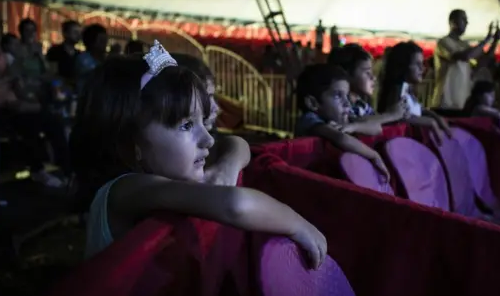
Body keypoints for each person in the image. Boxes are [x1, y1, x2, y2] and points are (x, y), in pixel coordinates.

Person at [70, 41, 326, 265]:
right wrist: (297, 224)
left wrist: (227, 167)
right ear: (131, 142)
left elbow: (237, 145)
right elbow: (235, 205)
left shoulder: (160, 166)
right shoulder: (126, 189)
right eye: (186, 125)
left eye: (203, 121)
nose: (207, 139)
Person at [0, 19, 69, 187]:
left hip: (14, 103)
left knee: (52, 120)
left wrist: (29, 97)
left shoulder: (5, 57)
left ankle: (68, 170)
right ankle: (38, 170)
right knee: (25, 124)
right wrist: (8, 80)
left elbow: (19, 84)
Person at [294, 64, 390, 181]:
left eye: (347, 95)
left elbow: (377, 128)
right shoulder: (308, 119)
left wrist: (353, 126)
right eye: (338, 96)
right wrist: (374, 155)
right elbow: (341, 138)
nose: (347, 103)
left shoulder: (341, 119)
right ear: (313, 103)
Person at [376, 41, 452, 141]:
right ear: (403, 66)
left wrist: (435, 117)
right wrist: (429, 122)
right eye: (417, 64)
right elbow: (394, 118)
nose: (422, 68)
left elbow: (419, 111)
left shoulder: (407, 89)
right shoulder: (397, 89)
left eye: (422, 64)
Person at [431, 9, 500, 109]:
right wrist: (487, 39)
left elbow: (483, 61)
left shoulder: (464, 45)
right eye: (463, 19)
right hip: (445, 102)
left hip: (462, 102)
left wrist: (495, 41)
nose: (467, 23)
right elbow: (465, 56)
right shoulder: (443, 42)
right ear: (452, 22)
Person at [328, 43, 405, 125]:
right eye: (367, 72)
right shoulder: (341, 104)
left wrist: (397, 114)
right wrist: (391, 115)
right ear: (346, 74)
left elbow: (374, 120)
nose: (373, 77)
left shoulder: (361, 104)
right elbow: (353, 122)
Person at [74, 24, 108, 94]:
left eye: (105, 41)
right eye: (101, 41)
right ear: (91, 42)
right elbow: (96, 75)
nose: (105, 44)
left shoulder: (104, 59)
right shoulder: (83, 59)